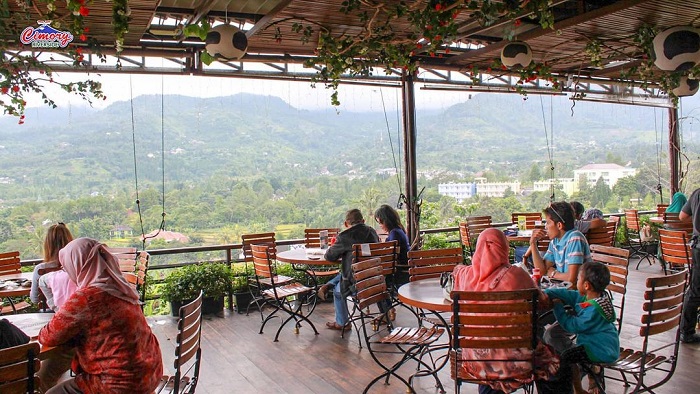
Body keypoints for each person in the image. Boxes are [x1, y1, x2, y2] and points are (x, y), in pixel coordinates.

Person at [38, 238, 163, 393]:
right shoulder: (121, 288)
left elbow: (48, 337)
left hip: (120, 384)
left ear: (78, 265)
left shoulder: (87, 298)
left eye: (68, 267)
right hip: (150, 373)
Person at [452, 228, 560, 394]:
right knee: (550, 358)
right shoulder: (517, 275)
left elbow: (456, 270)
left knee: (488, 346)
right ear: (503, 247)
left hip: (474, 358)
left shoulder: (464, 275)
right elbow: (543, 302)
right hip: (516, 360)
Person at [542, 261, 620, 394]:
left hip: (600, 350)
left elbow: (571, 325)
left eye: (578, 279)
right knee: (567, 354)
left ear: (586, 285)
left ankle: (576, 390)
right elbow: (572, 296)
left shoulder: (593, 310)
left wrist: (557, 307)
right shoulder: (595, 298)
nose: (576, 281)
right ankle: (588, 372)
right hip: (603, 345)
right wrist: (549, 292)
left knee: (566, 360)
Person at [319, 209, 379, 331]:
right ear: (363, 221)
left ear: (346, 224)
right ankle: (328, 285)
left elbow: (329, 256)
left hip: (356, 283)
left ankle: (342, 323)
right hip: (375, 278)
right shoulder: (372, 232)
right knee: (345, 273)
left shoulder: (345, 236)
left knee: (338, 290)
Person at [530, 201, 593, 287]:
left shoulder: (575, 238)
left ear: (559, 225)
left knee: (541, 296)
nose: (546, 227)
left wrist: (553, 273)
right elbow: (542, 271)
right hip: (566, 287)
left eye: (548, 223)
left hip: (580, 292)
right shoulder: (555, 242)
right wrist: (533, 244)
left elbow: (572, 279)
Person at [29, 223, 73, 305]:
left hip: (50, 313)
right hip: (77, 308)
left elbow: (34, 299)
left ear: (47, 244)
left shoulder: (41, 269)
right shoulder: (78, 265)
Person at [679, 188, 700, 343]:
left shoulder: (697, 193)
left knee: (695, 289)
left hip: (697, 247)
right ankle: (687, 331)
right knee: (695, 289)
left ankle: (687, 330)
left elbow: (682, 216)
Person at [374, 204, 410, 286]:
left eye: (380, 222)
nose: (380, 226)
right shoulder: (399, 230)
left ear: (386, 221)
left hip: (399, 271)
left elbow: (390, 257)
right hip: (404, 267)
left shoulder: (394, 233)